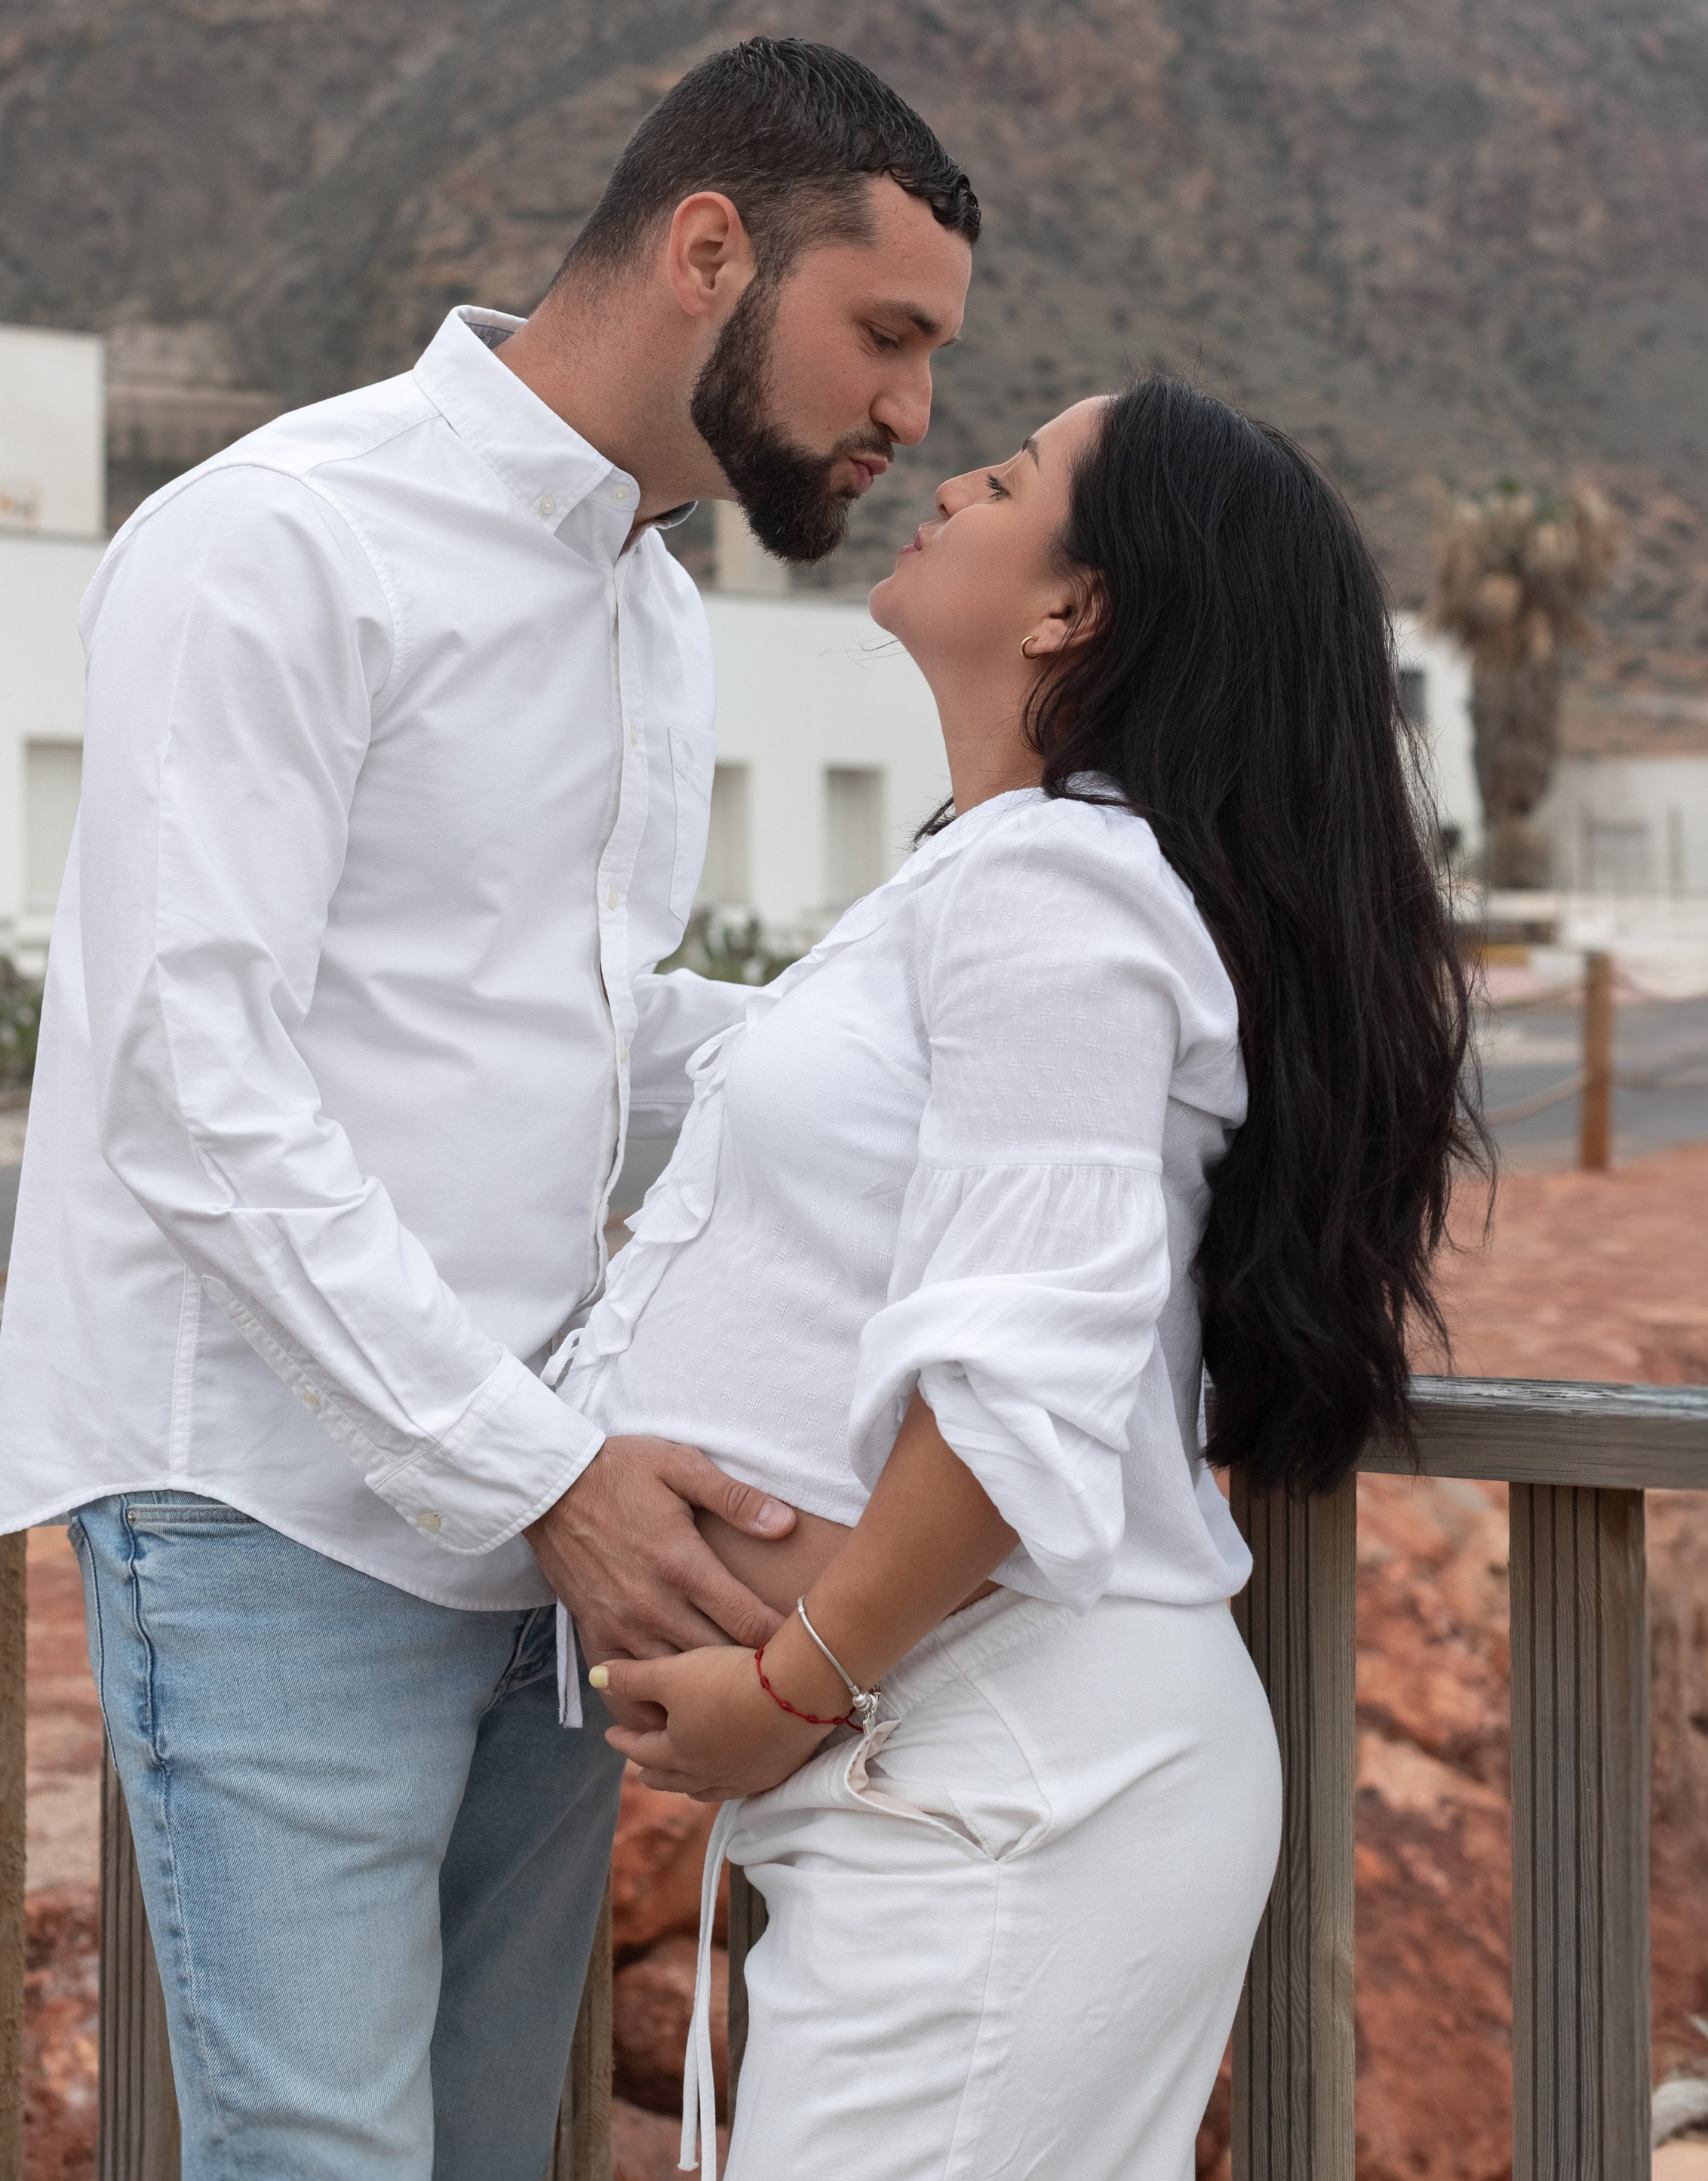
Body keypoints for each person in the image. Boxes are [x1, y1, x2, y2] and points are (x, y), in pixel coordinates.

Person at [0, 37, 978, 2178]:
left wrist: (963, 1055)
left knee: (478, 2147)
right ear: (711, 249)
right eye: (884, 334)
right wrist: (542, 1472)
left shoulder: (653, 609)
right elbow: (190, 1080)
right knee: (325, 2152)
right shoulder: (279, 537)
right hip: (275, 1508)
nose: (912, 414)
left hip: (542, 1538)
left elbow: (589, 1040)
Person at [564, 376, 1482, 2180]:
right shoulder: (988, 877)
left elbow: (1015, 1387)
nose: (944, 481)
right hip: (958, 1779)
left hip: (992, 1785)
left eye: (1003, 478)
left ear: (1076, 608)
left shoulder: (1059, 890)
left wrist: (797, 1682)